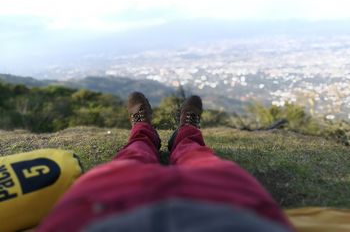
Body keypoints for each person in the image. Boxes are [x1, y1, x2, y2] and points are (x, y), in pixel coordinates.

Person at [38, 92, 294, 232]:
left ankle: (143, 133)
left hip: (92, 213)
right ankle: (185, 135)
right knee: (201, 158)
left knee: (131, 158)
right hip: (236, 212)